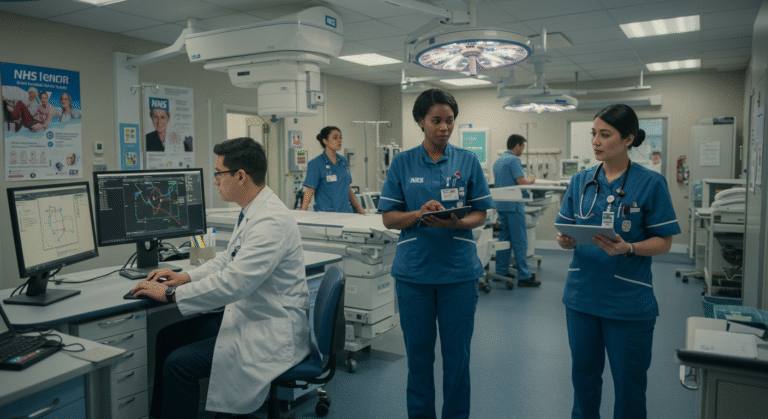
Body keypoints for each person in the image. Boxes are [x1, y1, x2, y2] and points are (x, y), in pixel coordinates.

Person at [131, 137, 311, 419]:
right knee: (166, 338)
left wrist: (170, 294)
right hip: (250, 315)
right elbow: (230, 258)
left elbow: (234, 283)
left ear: (240, 176)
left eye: (219, 173)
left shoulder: (270, 220)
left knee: (178, 365)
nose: (215, 181)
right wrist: (185, 277)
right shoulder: (254, 210)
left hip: (269, 328)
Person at [555, 104, 681, 419]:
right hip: (582, 297)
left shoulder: (651, 183)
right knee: (583, 382)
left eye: (605, 134)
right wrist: (564, 240)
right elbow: (565, 228)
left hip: (628, 301)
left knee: (629, 387)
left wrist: (630, 248)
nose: (595, 141)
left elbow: (664, 241)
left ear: (628, 139)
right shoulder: (581, 181)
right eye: (593, 133)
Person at [378, 88, 494, 419]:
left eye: (450, 120)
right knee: (419, 359)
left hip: (458, 273)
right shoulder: (402, 163)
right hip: (414, 274)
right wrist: (418, 214)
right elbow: (389, 217)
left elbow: (480, 213)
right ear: (421, 121)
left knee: (458, 359)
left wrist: (456, 223)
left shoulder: (467, 161)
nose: (444, 128)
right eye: (436, 120)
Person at [493, 134, 540, 287]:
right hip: (513, 205)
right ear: (517, 145)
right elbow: (521, 182)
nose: (523, 150)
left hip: (501, 205)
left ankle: (500, 272)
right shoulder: (514, 160)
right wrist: (530, 180)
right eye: (522, 146)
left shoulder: (498, 161)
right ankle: (524, 276)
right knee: (520, 241)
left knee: (504, 240)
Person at [301, 126, 366, 213]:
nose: (339, 141)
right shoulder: (316, 163)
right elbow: (309, 191)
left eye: (340, 137)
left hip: (346, 213)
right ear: (325, 141)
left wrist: (361, 210)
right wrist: (302, 212)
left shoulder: (343, 161)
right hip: (326, 215)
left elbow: (348, 189)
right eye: (335, 138)